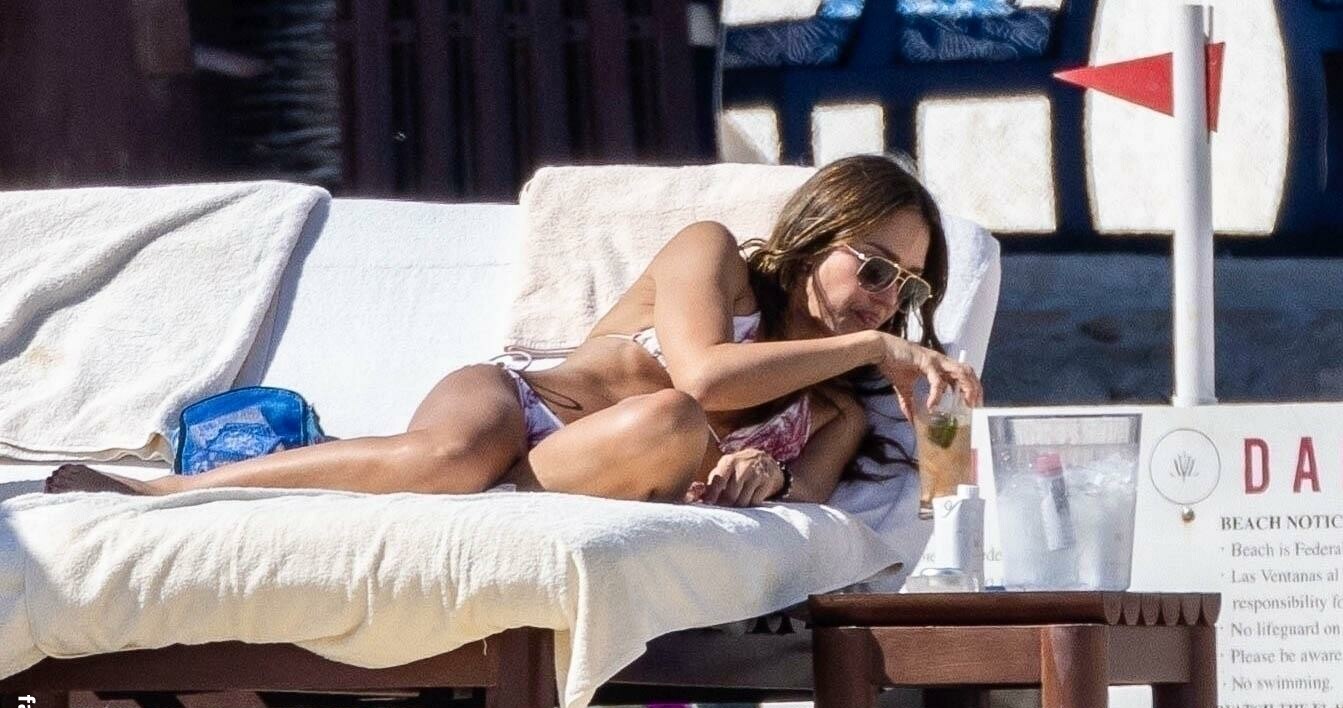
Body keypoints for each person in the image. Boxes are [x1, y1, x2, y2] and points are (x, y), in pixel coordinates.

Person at [45, 155, 982, 506]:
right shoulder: (714, 258)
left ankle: (473, 489)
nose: (884, 299)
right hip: (514, 402)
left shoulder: (833, 413)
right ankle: (166, 490)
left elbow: (808, 509)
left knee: (668, 428)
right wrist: (873, 346)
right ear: (816, 233)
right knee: (459, 450)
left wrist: (765, 474)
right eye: (873, 267)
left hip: (590, 466)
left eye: (905, 289)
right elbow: (701, 375)